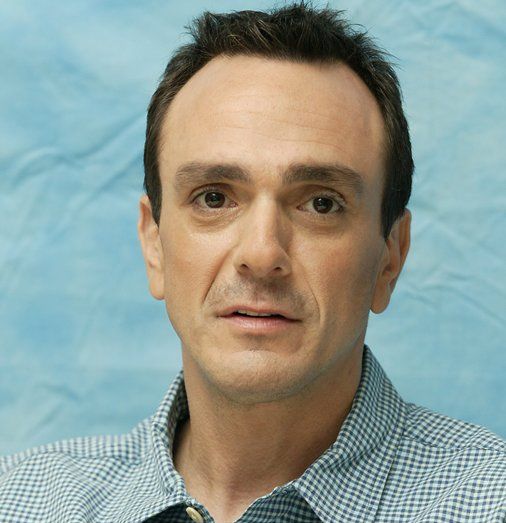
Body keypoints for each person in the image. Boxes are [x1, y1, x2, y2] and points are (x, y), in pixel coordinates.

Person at [1, 3, 504, 522]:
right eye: (214, 198)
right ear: (154, 244)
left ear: (390, 259)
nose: (262, 255)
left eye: (321, 203)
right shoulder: (18, 501)